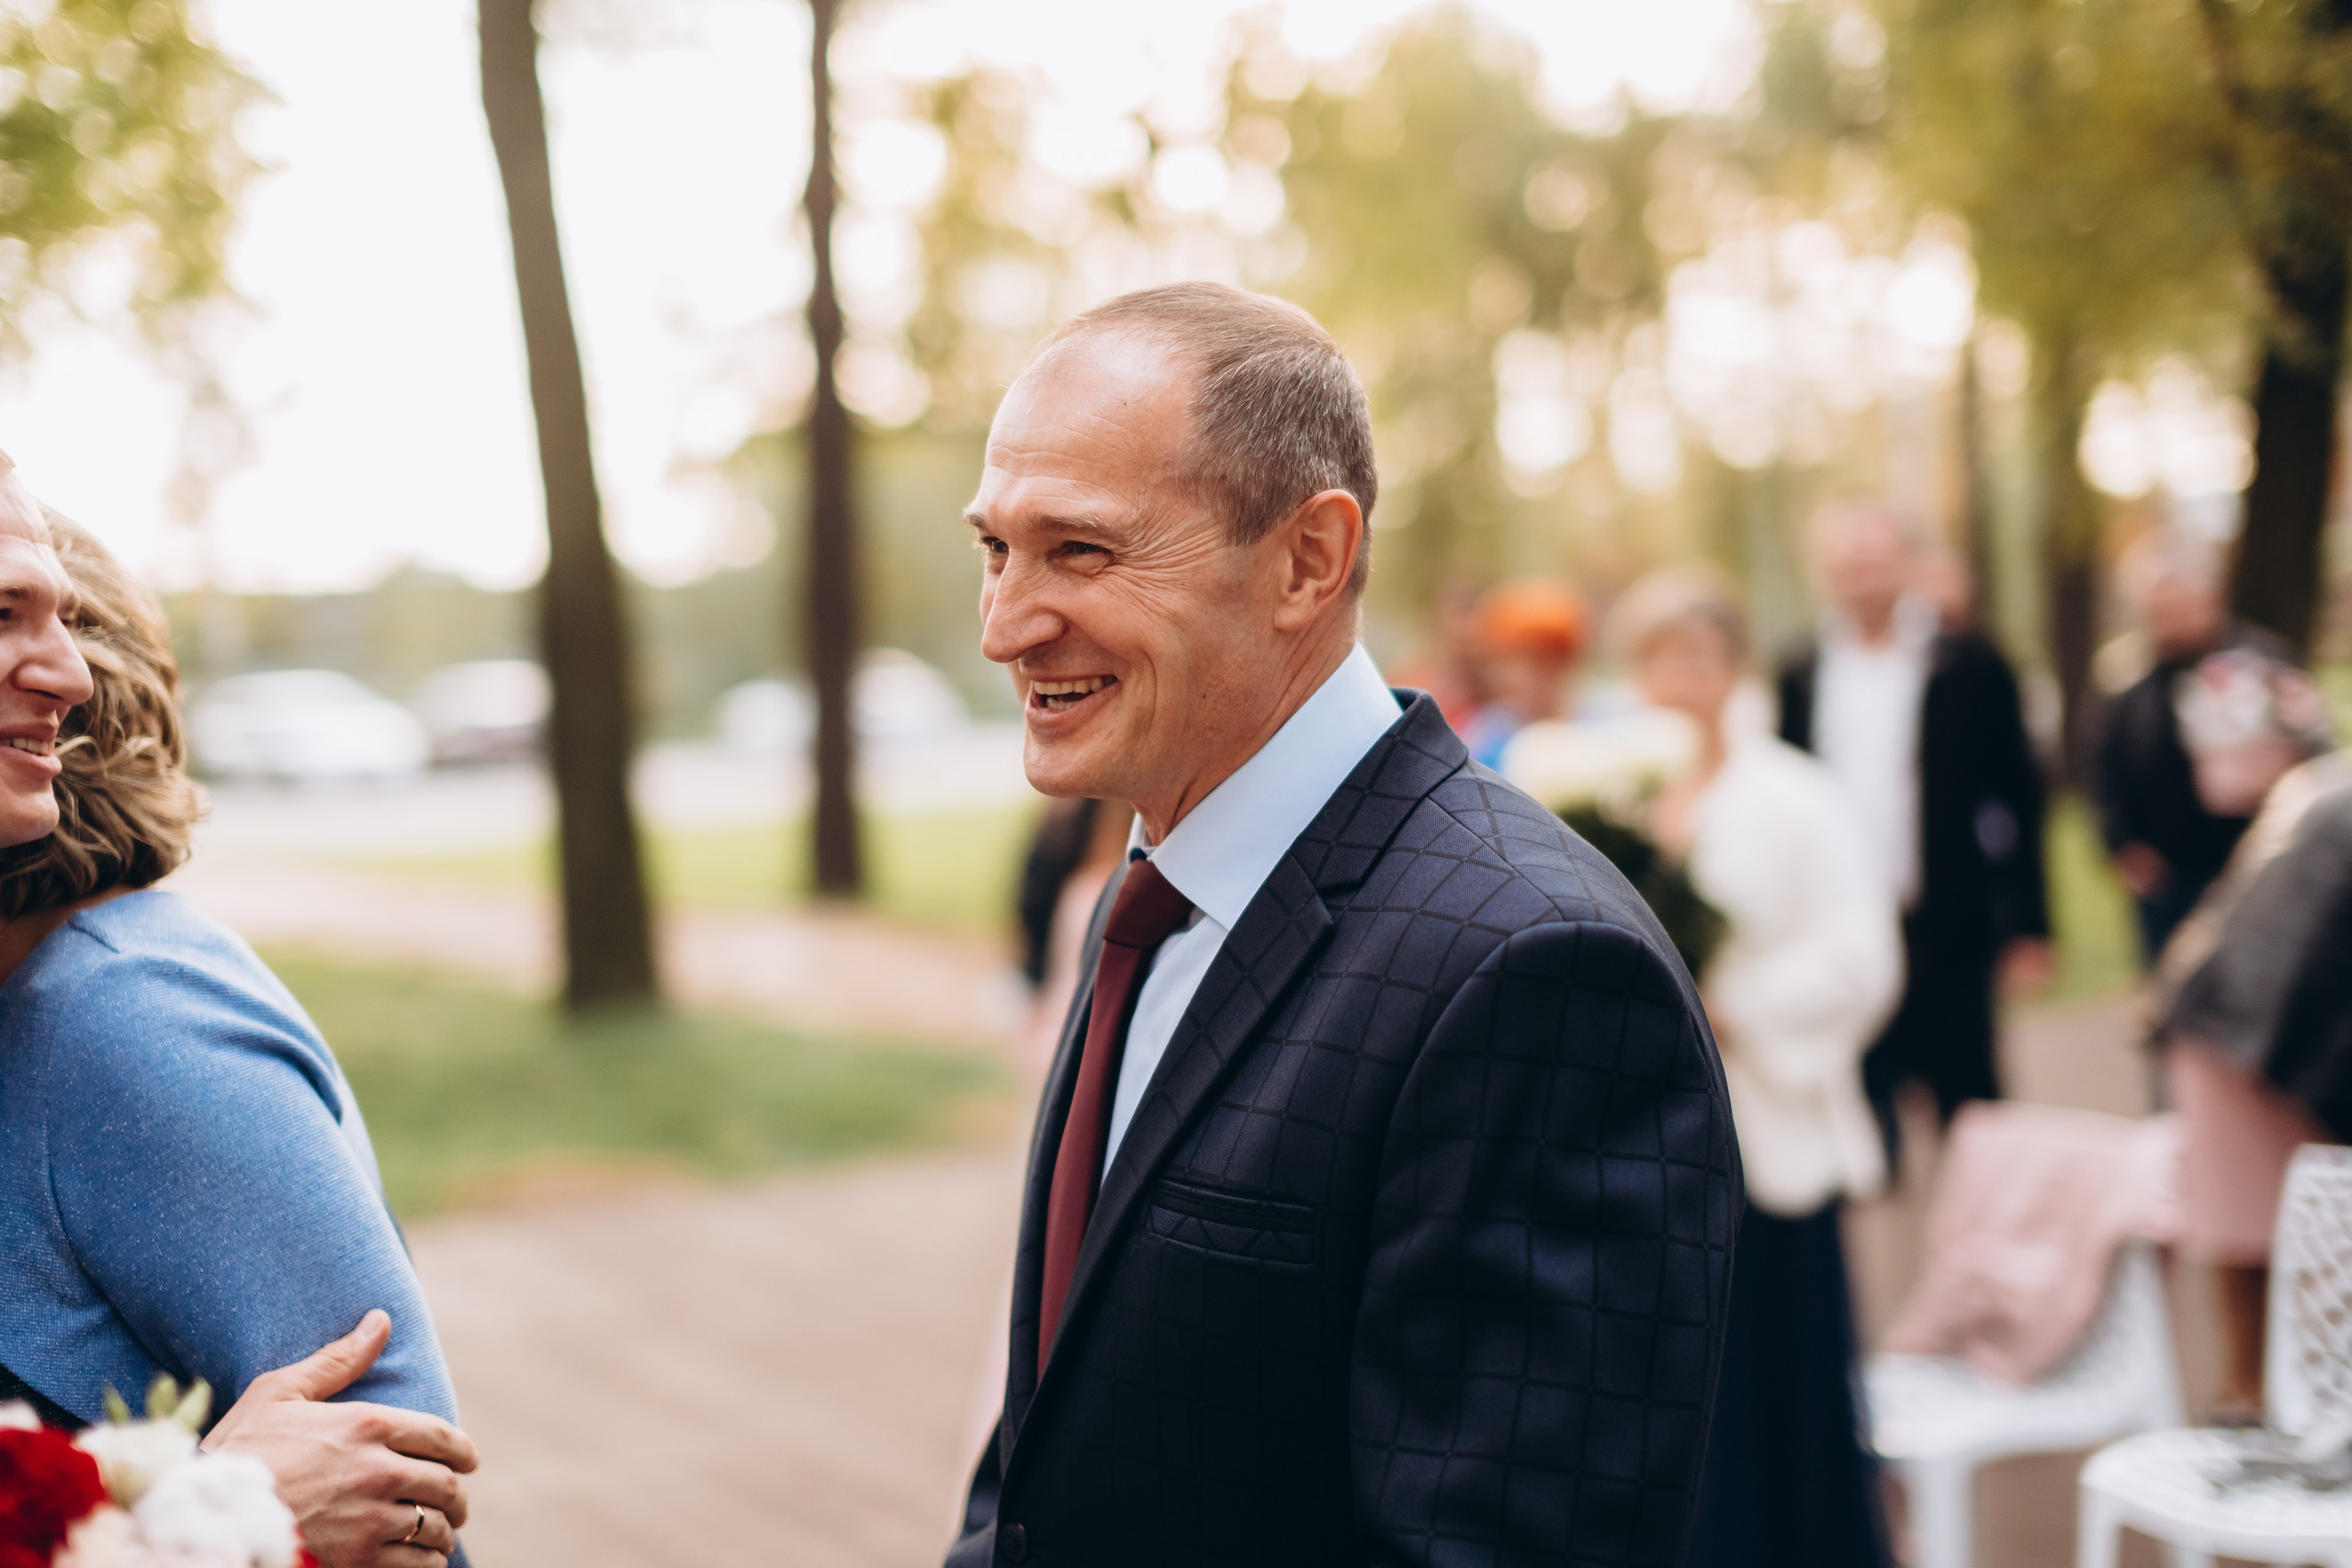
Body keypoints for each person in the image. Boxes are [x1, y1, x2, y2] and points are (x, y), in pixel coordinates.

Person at [948, 282, 1738, 1566]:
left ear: (1306, 560)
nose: (1005, 624)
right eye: (996, 548)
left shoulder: (1538, 972)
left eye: (1080, 550)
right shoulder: (1146, 896)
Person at [0, 495, 478, 1568]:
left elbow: (395, 1488)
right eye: (3, 614)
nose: (62, 680)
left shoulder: (126, 1023)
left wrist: (217, 1525)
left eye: (66, 627)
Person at [1620, 566, 1901, 1568]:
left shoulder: (1793, 794)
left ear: (1730, 662)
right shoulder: (1621, 794)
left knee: (1787, 1374)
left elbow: (1863, 955)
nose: (1675, 678)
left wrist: (1741, 1011)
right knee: (1686, 1386)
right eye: (1654, 657)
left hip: (1769, 1128)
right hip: (1656, 1132)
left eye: (1693, 654)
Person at [1778, 502, 2049, 1156]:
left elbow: (2019, 794)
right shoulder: (1802, 670)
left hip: (1949, 918)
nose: (1863, 576)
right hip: (1845, 926)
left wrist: (2031, 924)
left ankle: (1987, 1238)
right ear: (1826, 573)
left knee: (1972, 1109)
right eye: (1848, 562)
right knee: (1868, 1113)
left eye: (1876, 559)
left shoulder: (1969, 663)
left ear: (1905, 563)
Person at [2095, 531, 2290, 964]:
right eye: (2159, 612)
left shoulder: (2263, 663)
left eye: (2181, 608)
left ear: (2212, 601)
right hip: (2166, 878)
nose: (2170, 622)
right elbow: (2104, 771)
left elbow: (2306, 749)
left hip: (2251, 864)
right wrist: (2121, 845)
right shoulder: (2128, 679)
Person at [1456, 576, 1588, 768]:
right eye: (1499, 660)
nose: (1502, 676)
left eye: (1543, 660)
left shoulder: (1600, 724)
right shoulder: (1490, 734)